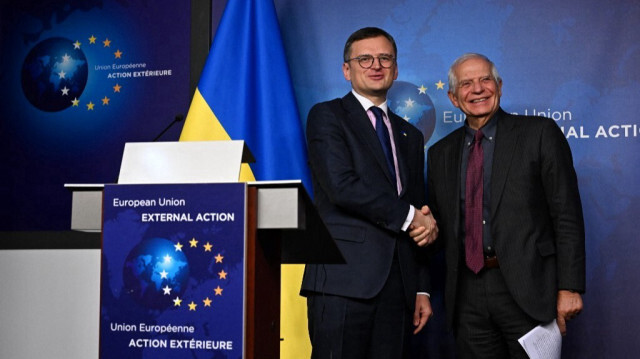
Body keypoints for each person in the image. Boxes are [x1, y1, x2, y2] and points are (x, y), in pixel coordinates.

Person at [425, 53, 585, 358]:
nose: (478, 89)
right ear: (453, 97)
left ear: (499, 86)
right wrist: (426, 229)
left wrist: (570, 286)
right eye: (466, 84)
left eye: (485, 79)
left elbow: (566, 215)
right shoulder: (440, 154)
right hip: (466, 295)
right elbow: (441, 228)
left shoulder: (539, 134)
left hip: (529, 288)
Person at [300, 27, 438, 359]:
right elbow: (341, 186)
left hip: (399, 288)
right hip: (342, 281)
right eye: (365, 58)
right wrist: (412, 218)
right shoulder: (327, 116)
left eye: (384, 58)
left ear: (396, 68)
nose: (375, 65)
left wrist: (420, 287)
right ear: (347, 69)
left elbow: (419, 206)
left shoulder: (410, 135)